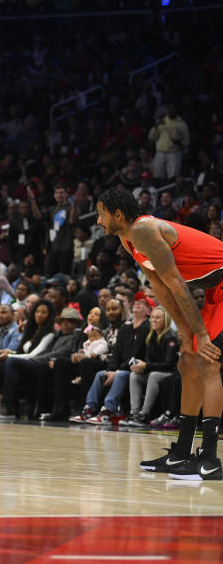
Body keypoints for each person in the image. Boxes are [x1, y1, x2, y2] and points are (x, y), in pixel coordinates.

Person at [97, 187, 223, 480]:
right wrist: (186, 333)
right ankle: (181, 453)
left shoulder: (143, 229)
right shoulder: (128, 240)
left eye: (101, 212)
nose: (99, 220)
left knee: (208, 362)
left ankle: (211, 458)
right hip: (213, 290)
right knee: (187, 362)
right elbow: (161, 289)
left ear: (117, 214)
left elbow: (178, 284)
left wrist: (201, 335)